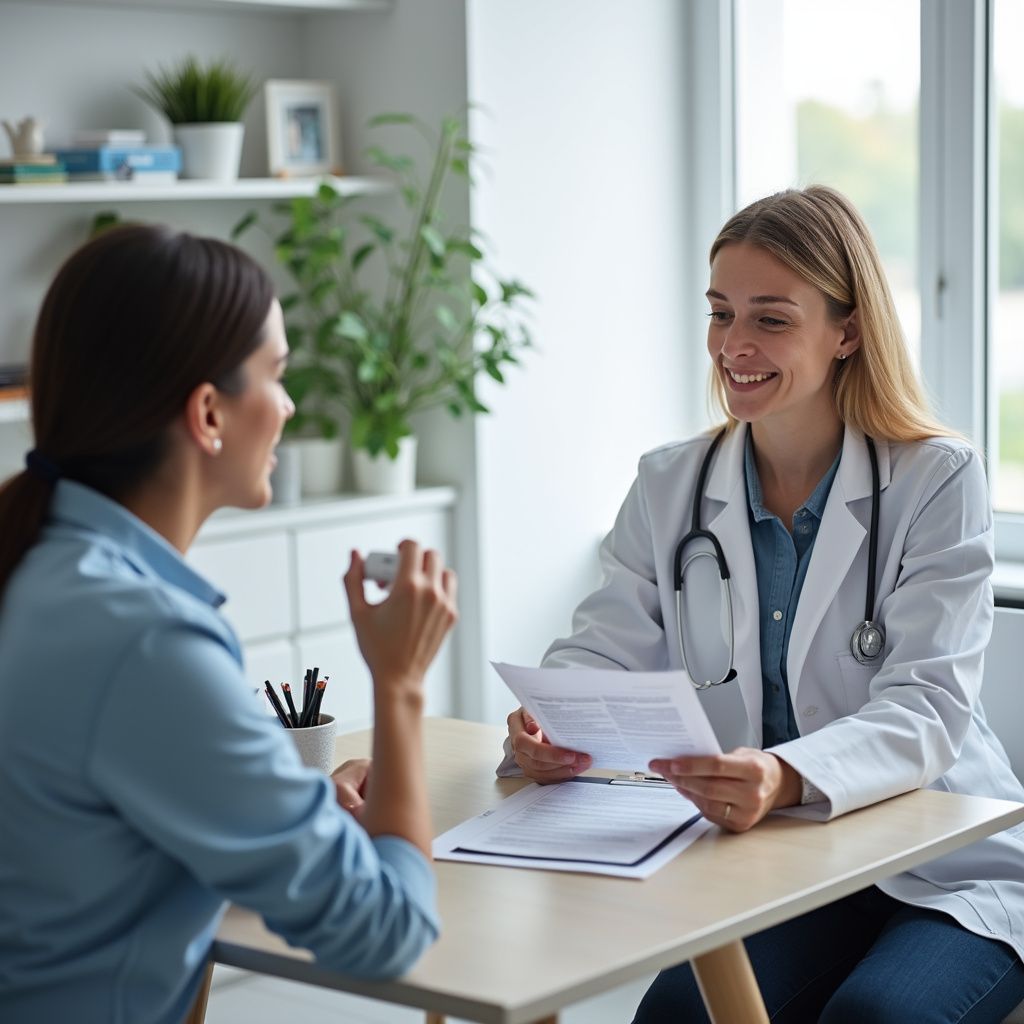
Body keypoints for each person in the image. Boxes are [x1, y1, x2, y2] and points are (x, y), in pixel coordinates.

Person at [501, 186, 1024, 1023]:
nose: (733, 346)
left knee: (878, 1017)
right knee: (676, 1015)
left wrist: (783, 775)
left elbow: (928, 709)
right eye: (720, 313)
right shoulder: (671, 481)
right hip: (787, 863)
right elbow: (604, 646)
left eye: (771, 319)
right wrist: (547, 725)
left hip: (941, 862)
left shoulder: (936, 477)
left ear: (846, 330)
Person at [0, 225, 458, 1024]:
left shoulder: (38, 568)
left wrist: (286, 800)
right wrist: (401, 686)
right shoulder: (144, 638)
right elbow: (388, 930)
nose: (287, 406)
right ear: (209, 413)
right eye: (277, 374)